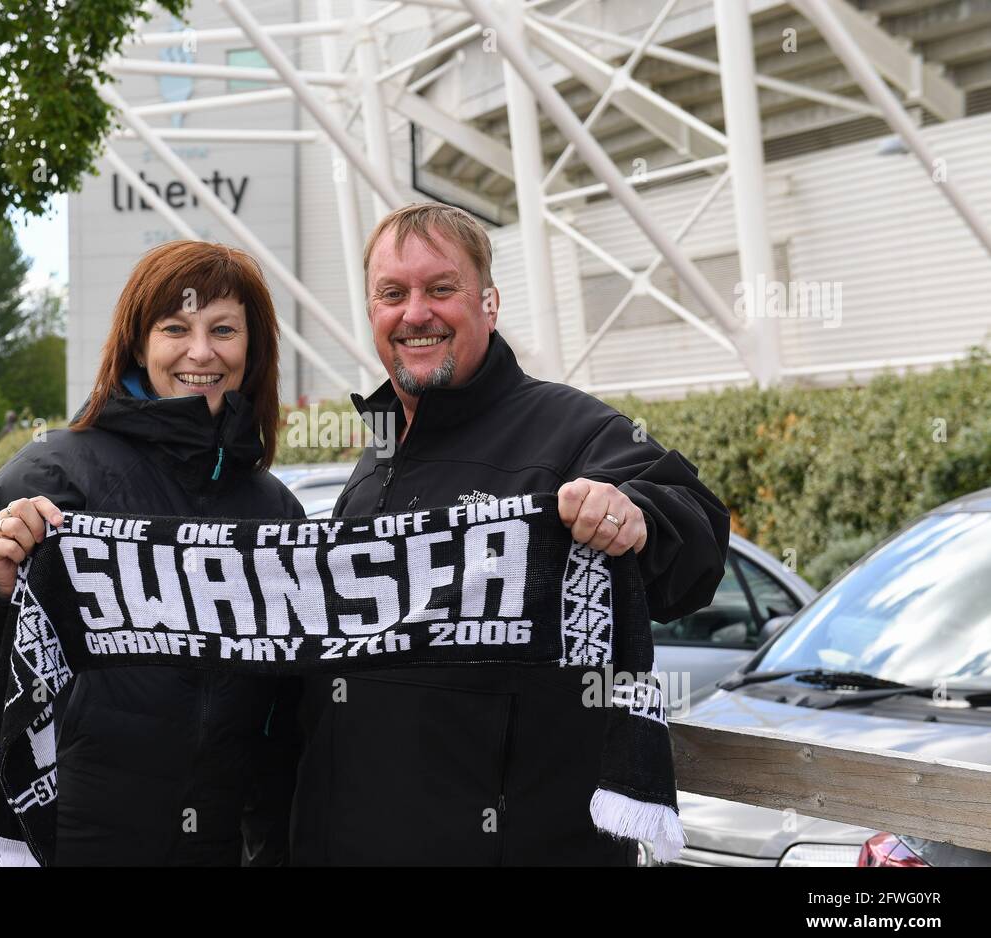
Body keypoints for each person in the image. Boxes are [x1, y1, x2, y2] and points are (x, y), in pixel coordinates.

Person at [287, 202, 731, 865]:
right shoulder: (376, 452)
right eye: (393, 293)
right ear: (373, 312)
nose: (416, 313)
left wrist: (634, 515)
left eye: (441, 289)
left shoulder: (569, 429)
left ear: (488, 304)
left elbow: (695, 542)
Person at [0, 240, 304, 866]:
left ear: (252, 350)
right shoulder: (58, 468)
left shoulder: (275, 513)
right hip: (57, 849)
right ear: (139, 344)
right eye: (176, 328)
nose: (202, 352)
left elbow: (284, 725)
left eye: (223, 329)